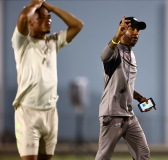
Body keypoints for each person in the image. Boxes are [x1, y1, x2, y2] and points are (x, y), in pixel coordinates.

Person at [11, 0, 84, 159]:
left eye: (49, 16)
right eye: (42, 17)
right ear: (31, 22)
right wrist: (35, 4)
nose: (48, 19)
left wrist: (52, 8)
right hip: (28, 113)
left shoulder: (53, 42)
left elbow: (78, 25)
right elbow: (23, 17)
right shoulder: (22, 43)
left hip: (51, 113)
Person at [95, 16, 155, 160]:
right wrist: (117, 36)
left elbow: (126, 85)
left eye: (138, 30)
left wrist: (140, 98)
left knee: (143, 153)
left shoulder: (131, 54)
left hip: (129, 115)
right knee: (103, 157)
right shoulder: (115, 51)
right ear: (123, 30)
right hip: (112, 114)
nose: (136, 33)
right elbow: (104, 56)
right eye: (132, 28)